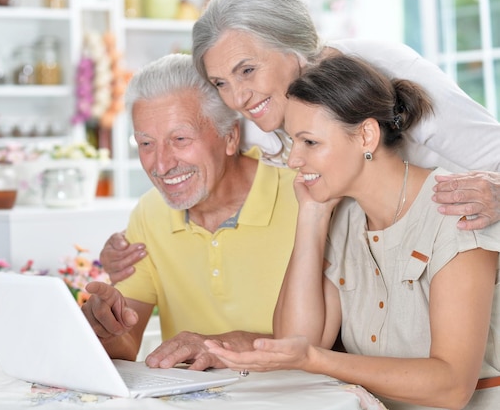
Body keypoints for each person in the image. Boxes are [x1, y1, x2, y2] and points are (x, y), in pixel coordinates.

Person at [102, 0, 500, 283]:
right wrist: (129, 247)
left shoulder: (386, 68)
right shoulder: (258, 119)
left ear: (294, 49)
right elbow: (186, 165)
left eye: (247, 70)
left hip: (471, 259)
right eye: (221, 82)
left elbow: (492, 151)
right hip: (383, 283)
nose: (238, 98)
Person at [205, 55, 500, 410]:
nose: (293, 160)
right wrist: (312, 216)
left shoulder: (456, 209)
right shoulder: (342, 216)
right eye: (291, 141)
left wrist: (317, 360)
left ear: (366, 135)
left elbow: (452, 387)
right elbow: (297, 339)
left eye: (309, 142)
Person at [82, 53, 300, 370]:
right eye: (145, 143)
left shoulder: (304, 196)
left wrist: (223, 346)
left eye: (180, 139)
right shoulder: (149, 212)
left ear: (230, 137)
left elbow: (333, 341)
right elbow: (125, 346)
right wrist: (105, 329)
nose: (160, 165)